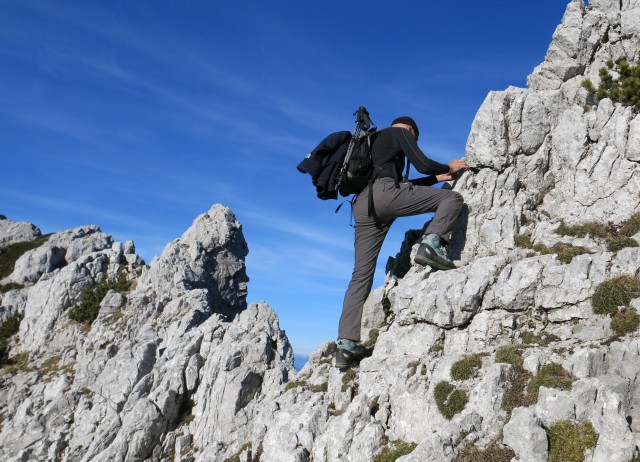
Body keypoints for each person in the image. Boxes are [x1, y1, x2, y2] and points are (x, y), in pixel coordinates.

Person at [335, 116, 468, 368]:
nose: (412, 141)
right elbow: (422, 163)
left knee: (360, 275)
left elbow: (402, 184)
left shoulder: (372, 141)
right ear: (410, 129)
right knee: (452, 200)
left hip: (363, 205)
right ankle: (431, 244)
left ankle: (346, 345)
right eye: (414, 137)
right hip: (385, 196)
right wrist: (448, 168)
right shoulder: (400, 133)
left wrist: (435, 179)